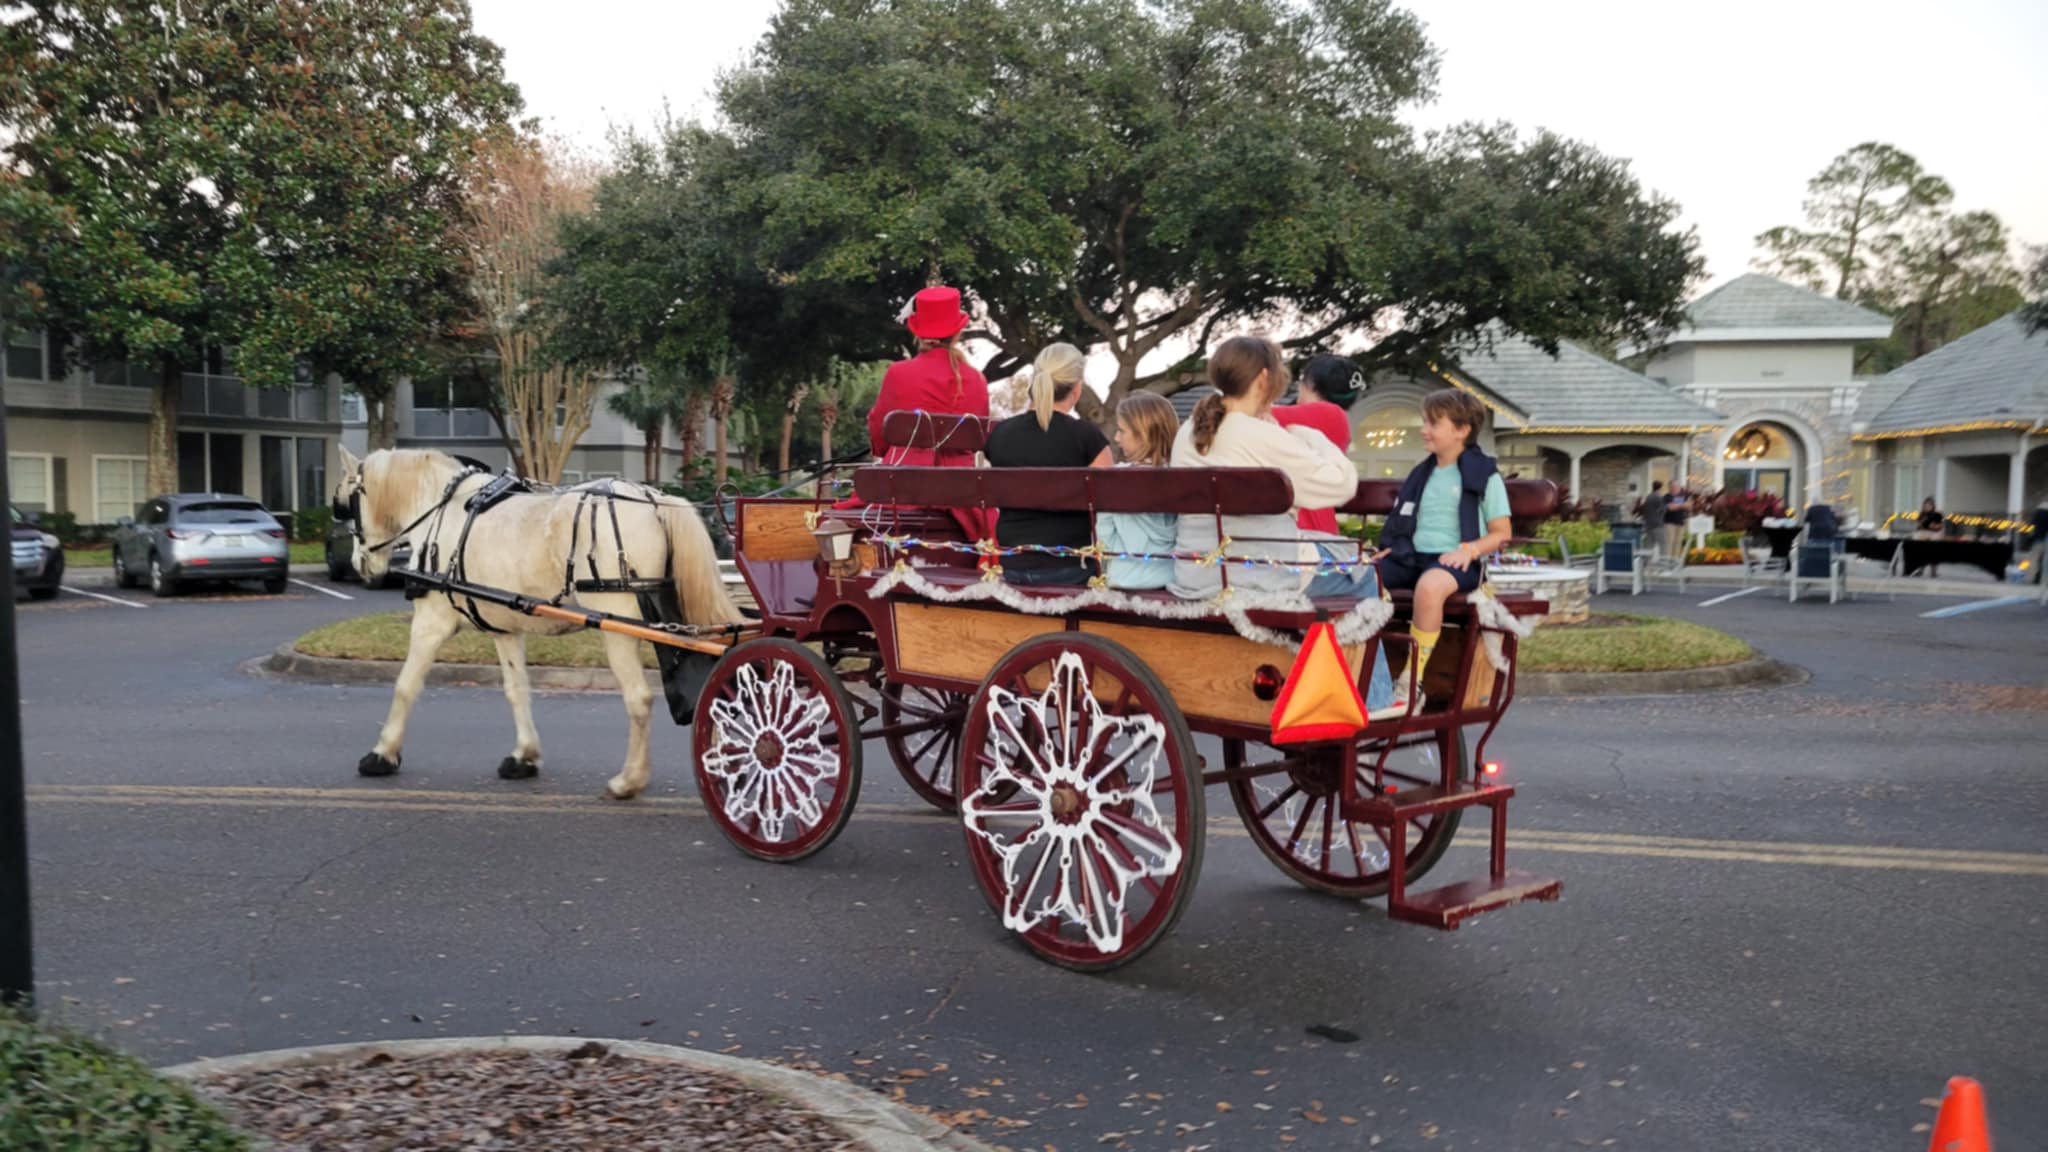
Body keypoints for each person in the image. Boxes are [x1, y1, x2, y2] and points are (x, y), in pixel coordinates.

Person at [1170, 336, 1400, 717]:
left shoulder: (1188, 431)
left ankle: (1323, 678)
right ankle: (1373, 699)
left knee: (1328, 557)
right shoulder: (1260, 434)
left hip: (1197, 570)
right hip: (1261, 572)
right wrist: (1311, 437)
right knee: (1364, 575)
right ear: (1264, 379)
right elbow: (1340, 486)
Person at [1372, 389, 1513, 690]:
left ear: (1462, 430)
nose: (1424, 430)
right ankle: (1366, 668)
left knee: (1430, 587)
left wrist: (1469, 551)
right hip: (1411, 556)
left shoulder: (1485, 476)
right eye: (1424, 422)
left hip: (1456, 562)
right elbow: (1406, 522)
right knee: (1361, 578)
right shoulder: (1421, 474)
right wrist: (1389, 550)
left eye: (1433, 424)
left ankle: (1413, 680)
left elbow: (1502, 533)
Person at [862, 285, 993, 540]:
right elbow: (979, 437)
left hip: (903, 488)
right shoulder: (976, 380)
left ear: (918, 331)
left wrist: (887, 451)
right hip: (961, 494)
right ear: (957, 331)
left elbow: (879, 431)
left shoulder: (899, 373)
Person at [983, 343, 1113, 586]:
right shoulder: (1088, 437)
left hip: (1013, 567)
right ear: (1076, 389)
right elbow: (1110, 503)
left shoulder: (999, 435)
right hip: (1073, 568)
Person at [1096, 391, 1179, 590]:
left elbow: (1103, 540)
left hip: (1124, 578)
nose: (1116, 438)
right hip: (1172, 577)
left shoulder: (1115, 478)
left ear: (1142, 436)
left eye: (1122, 431)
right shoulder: (1183, 478)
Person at [1273, 354, 1363, 534]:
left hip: (1306, 524)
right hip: (1314, 521)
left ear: (1311, 384)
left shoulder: (1329, 414)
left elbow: (1252, 414)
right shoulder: (1336, 418)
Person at [1635, 481, 1667, 554]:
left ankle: (1645, 562)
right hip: (1658, 524)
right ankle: (1664, 561)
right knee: (1663, 544)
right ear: (1660, 488)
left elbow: (1644, 509)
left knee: (1649, 544)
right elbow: (1663, 510)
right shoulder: (1658, 497)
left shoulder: (1648, 497)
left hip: (1648, 524)